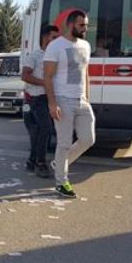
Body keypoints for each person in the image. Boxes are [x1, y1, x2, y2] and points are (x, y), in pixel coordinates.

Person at [44, 10, 95, 198]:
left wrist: (87, 98)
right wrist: (52, 103)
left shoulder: (86, 45)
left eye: (86, 25)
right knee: (64, 143)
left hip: (81, 101)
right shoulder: (55, 46)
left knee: (88, 139)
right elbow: (48, 76)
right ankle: (61, 182)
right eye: (82, 25)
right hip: (63, 100)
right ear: (71, 24)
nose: (85, 29)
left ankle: (59, 164)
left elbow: (85, 73)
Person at [22, 24, 60, 178]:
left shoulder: (56, 56)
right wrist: (45, 83)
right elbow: (25, 75)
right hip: (36, 98)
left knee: (39, 131)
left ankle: (32, 161)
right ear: (45, 37)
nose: (56, 41)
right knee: (45, 129)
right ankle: (41, 163)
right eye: (54, 37)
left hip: (49, 97)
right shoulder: (35, 55)